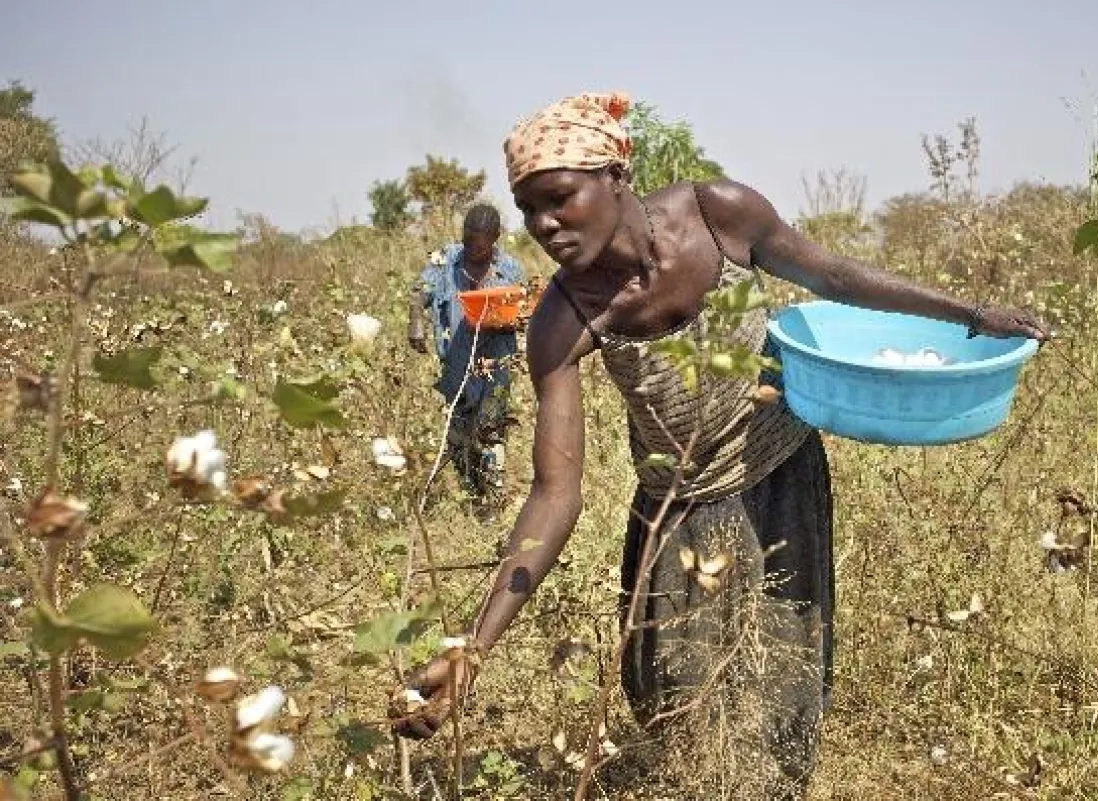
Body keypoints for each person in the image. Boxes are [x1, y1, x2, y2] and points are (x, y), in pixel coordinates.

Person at [394, 92, 1049, 795]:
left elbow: (834, 274)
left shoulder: (719, 214)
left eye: (559, 198)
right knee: (680, 699)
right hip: (682, 511)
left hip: (781, 473)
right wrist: (474, 647)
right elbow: (556, 492)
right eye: (529, 211)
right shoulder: (563, 318)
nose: (544, 225)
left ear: (615, 175)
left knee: (785, 672)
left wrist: (972, 314)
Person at [408, 203, 526, 498]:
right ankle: (471, 491)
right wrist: (416, 323)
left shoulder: (510, 269)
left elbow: (522, 312)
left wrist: (509, 317)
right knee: (458, 432)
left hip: (495, 360)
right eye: (468, 238)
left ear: (495, 237)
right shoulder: (445, 259)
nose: (472, 246)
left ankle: (494, 496)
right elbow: (419, 292)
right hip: (457, 362)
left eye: (480, 241)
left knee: (491, 427)